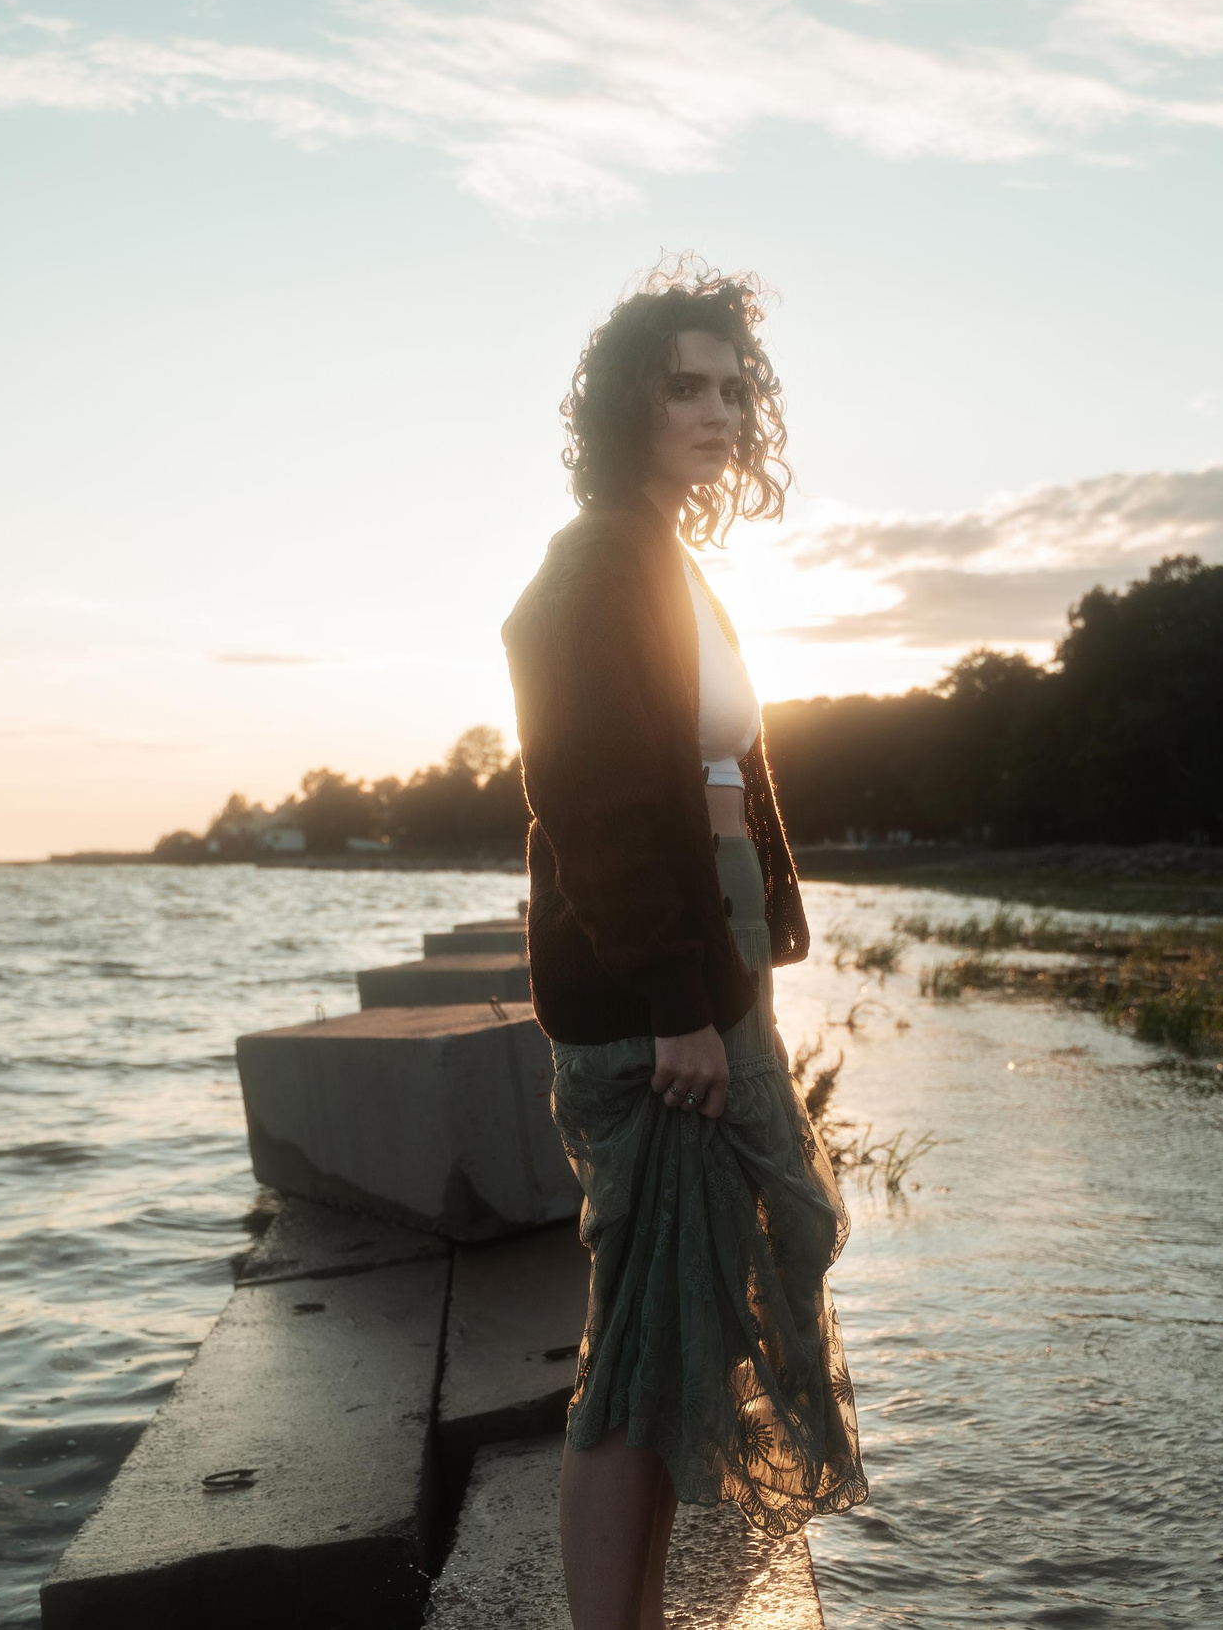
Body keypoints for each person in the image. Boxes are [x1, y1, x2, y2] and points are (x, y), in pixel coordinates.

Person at [503, 263, 867, 1630]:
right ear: (624, 405)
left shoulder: (667, 560)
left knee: (697, 1308)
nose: (717, 410)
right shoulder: (593, 564)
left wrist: (746, 958)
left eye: (732, 388)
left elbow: (720, 773)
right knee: (643, 1332)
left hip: (710, 980)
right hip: (659, 1000)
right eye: (686, 386)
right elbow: (592, 802)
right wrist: (677, 1011)